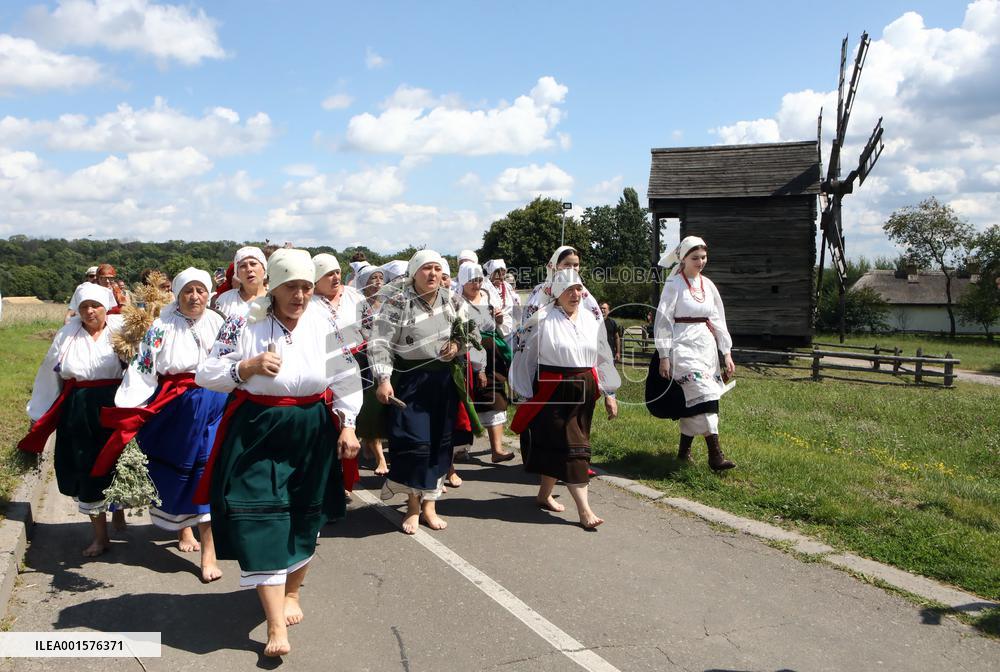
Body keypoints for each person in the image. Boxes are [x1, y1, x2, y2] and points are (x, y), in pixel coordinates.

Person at [195, 248, 361, 658]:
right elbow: (206, 373)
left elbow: (345, 373)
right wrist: (245, 368)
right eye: (291, 287)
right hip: (259, 428)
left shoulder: (326, 320)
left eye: (306, 287)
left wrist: (350, 423)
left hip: (311, 428)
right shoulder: (243, 321)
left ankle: (292, 592)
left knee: (307, 514)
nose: (301, 295)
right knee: (260, 516)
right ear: (273, 286)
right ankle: (273, 625)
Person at [96, 268, 228, 582]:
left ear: (208, 293)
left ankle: (209, 551)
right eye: (188, 291)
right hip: (177, 406)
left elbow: (233, 360)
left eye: (200, 290)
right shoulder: (160, 327)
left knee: (208, 472)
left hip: (216, 405)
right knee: (182, 473)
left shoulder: (219, 323)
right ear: (178, 295)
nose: (195, 297)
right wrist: (130, 407)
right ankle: (184, 529)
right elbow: (143, 370)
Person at [370, 250, 479, 534]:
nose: (432, 274)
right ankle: (413, 505)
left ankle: (430, 504)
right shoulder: (397, 302)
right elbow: (379, 341)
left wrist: (457, 345)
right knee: (415, 444)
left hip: (442, 382)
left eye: (437, 268)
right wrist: (383, 378)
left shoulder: (452, 300)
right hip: (410, 382)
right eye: (426, 269)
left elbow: (472, 331)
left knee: (440, 445)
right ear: (414, 273)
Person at [19, 284, 125, 556]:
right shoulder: (67, 334)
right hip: (79, 407)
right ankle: (100, 537)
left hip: (116, 403)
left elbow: (143, 367)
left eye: (96, 306)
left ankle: (119, 510)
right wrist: (39, 412)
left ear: (106, 307)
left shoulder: (121, 331)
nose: (90, 311)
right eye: (84, 307)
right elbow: (49, 373)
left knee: (119, 462)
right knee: (87, 466)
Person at [510, 269, 620, 529]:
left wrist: (609, 392)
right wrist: (524, 392)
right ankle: (584, 510)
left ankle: (543, 494)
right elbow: (524, 356)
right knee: (574, 448)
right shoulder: (542, 320)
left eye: (579, 289)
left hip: (584, 390)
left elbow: (602, 356)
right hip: (553, 390)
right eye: (569, 289)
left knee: (558, 445)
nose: (575, 294)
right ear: (556, 293)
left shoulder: (591, 320)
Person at [652, 236, 736, 471]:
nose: (701, 262)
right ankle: (715, 454)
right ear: (684, 259)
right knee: (703, 393)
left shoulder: (708, 285)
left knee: (699, 399)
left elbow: (718, 319)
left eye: (703, 257)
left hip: (705, 347)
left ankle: (683, 452)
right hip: (682, 344)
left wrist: (726, 353)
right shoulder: (674, 285)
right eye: (695, 258)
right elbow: (663, 320)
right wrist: (664, 355)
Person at [311, 253, 366, 495]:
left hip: (355, 362)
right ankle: (330, 482)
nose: (335, 277)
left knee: (351, 423)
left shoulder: (354, 296)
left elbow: (371, 326)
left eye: (336, 272)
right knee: (328, 428)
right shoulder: (309, 303)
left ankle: (345, 479)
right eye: (327, 274)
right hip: (324, 367)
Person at [455, 262, 514, 465]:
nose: (477, 284)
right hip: (467, 355)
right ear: (462, 281)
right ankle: (461, 447)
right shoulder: (456, 303)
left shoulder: (488, 298)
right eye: (472, 280)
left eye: (479, 280)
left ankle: (497, 449)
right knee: (468, 399)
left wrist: (498, 320)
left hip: (492, 353)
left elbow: (504, 326)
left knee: (496, 395)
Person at [354, 264, 389, 476]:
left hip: (386, 357)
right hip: (365, 360)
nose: (377, 281)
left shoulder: (388, 303)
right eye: (372, 278)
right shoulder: (358, 305)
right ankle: (380, 458)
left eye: (380, 277)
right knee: (370, 406)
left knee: (381, 407)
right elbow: (358, 328)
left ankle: (369, 441)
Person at [214, 247, 268, 319]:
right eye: (243, 266)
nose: (249, 269)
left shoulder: (276, 299)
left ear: (264, 268)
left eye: (253, 264)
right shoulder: (225, 300)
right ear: (237, 273)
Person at [484, 258, 521, 339]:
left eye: (503, 274)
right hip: (492, 333)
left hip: (511, 330)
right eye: (498, 275)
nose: (501, 278)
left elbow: (515, 308)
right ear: (491, 274)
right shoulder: (484, 287)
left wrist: (518, 326)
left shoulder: (507, 286)